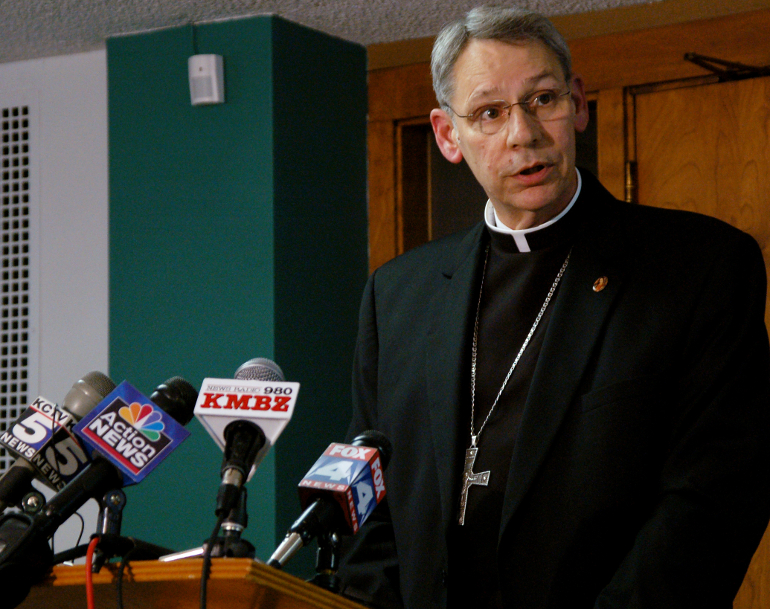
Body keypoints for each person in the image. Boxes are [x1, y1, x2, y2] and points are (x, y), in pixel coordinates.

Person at [338, 5, 770, 609]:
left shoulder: (700, 267)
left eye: (543, 100)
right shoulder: (398, 295)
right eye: (490, 113)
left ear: (578, 104)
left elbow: (713, 498)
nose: (523, 134)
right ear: (447, 135)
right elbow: (367, 498)